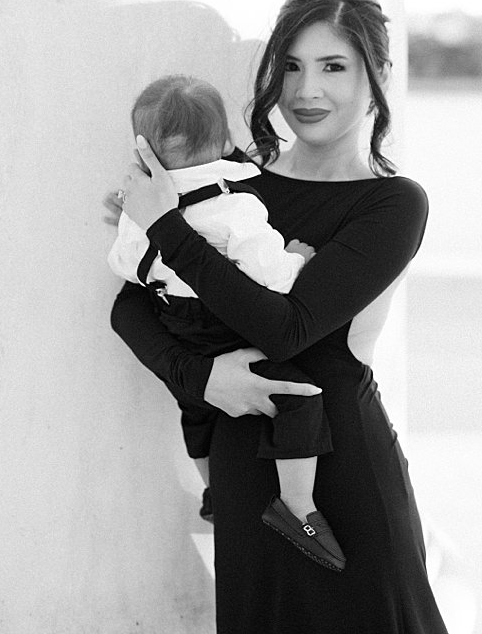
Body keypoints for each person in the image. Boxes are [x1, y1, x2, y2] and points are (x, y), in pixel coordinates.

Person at [108, 0, 452, 634]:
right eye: (290, 66)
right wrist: (202, 378)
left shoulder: (391, 205)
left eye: (333, 66)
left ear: (378, 74)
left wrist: (168, 229)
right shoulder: (231, 181)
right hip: (244, 472)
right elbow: (131, 306)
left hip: (342, 476)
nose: (306, 90)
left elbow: (288, 327)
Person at [108, 74, 345, 571]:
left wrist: (152, 253)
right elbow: (276, 283)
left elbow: (124, 270)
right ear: (222, 142)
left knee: (195, 411)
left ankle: (213, 490)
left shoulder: (144, 207)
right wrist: (299, 257)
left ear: (145, 150)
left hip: (172, 321)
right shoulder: (236, 206)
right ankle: (298, 506)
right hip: (224, 327)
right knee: (299, 399)